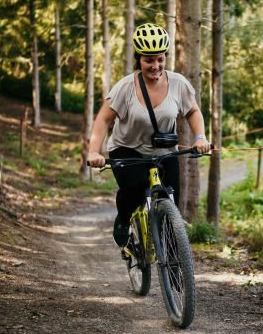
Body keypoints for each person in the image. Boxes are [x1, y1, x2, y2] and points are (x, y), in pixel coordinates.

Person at [87, 23, 210, 246]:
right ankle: (123, 219)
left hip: (165, 151)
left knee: (172, 202)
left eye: (160, 59)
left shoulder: (177, 83)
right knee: (134, 190)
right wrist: (94, 151)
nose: (156, 66)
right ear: (139, 59)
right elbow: (104, 119)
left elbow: (192, 111)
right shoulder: (125, 87)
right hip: (128, 149)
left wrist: (200, 137)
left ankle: (175, 263)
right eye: (149, 60)